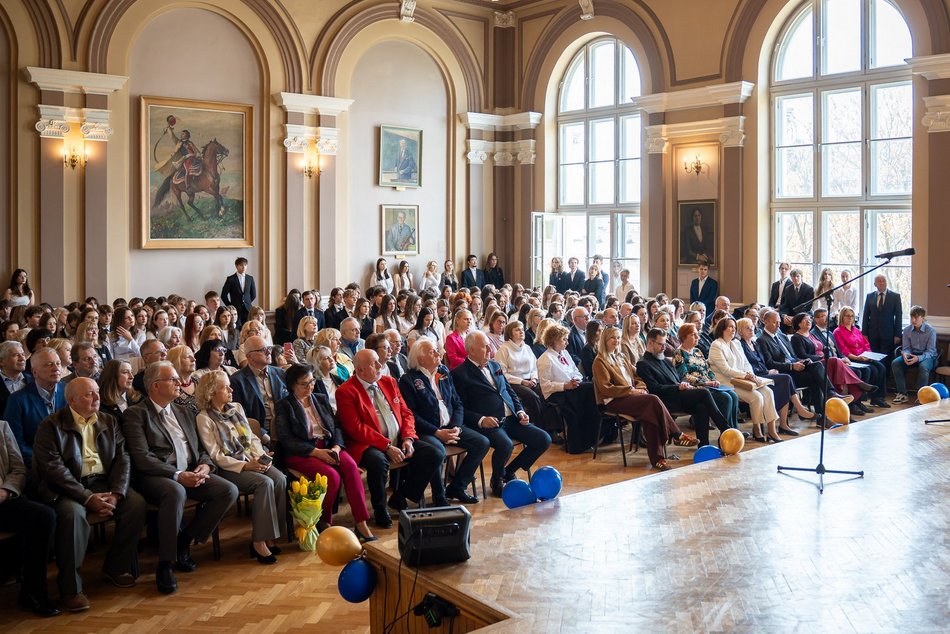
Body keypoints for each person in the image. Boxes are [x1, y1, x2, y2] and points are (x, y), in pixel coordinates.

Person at [121, 361, 238, 594]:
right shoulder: (135, 414)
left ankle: (184, 540)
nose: (179, 383)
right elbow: (142, 458)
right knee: (175, 491)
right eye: (173, 379)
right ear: (155, 386)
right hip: (156, 476)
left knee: (227, 490)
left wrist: (204, 466)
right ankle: (166, 563)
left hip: (191, 471)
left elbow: (201, 448)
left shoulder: (184, 411)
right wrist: (177, 474)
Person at [32, 378, 146, 611]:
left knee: (135, 504)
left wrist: (117, 493)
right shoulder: (51, 425)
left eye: (97, 393)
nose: (96, 398)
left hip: (103, 482)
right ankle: (71, 588)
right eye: (88, 394)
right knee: (72, 515)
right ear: (71, 400)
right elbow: (53, 470)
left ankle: (116, 567)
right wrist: (86, 497)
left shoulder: (108, 420)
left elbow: (122, 458)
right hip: (68, 488)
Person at [335, 350, 442, 528]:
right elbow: (356, 429)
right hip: (368, 443)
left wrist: (408, 438)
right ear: (360, 370)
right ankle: (380, 509)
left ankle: (401, 496)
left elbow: (406, 413)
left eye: (379, 361)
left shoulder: (389, 382)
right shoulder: (346, 391)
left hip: (398, 437)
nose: (380, 366)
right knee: (378, 462)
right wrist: (386, 446)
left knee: (434, 454)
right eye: (374, 364)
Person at [195, 371, 286, 563]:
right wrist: (246, 466)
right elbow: (216, 455)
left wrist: (261, 457)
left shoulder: (236, 407)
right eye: (225, 387)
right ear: (211, 392)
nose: (231, 389)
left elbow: (251, 437)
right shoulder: (204, 418)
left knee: (279, 479)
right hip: (230, 467)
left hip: (252, 458)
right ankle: (259, 542)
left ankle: (271, 535)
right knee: (264, 483)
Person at [275, 364, 374, 541]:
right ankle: (324, 520)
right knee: (331, 477)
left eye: (312, 381)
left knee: (351, 467)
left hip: (328, 445)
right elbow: (286, 439)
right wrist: (316, 452)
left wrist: (337, 447)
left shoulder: (320, 398)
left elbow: (336, 427)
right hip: (301, 452)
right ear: (292, 385)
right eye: (304, 384)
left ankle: (361, 523)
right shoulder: (284, 405)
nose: (310, 386)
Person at [453, 331, 551, 495]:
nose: (490, 349)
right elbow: (459, 407)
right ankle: (497, 479)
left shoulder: (494, 366)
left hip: (511, 418)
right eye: (485, 347)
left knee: (543, 439)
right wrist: (481, 419)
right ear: (471, 350)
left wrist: (520, 410)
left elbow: (509, 391)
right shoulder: (460, 374)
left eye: (489, 346)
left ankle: (507, 471)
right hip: (489, 423)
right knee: (505, 445)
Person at [593, 326, 697, 470]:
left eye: (618, 337)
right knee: (652, 400)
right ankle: (676, 434)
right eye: (612, 338)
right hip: (613, 400)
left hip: (631, 397)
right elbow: (606, 388)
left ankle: (658, 459)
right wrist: (631, 391)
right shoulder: (600, 361)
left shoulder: (621, 357)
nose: (616, 341)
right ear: (605, 340)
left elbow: (637, 377)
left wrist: (641, 388)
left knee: (650, 414)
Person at [399, 338, 489, 504]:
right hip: (427, 431)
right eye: (432, 352)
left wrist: (456, 426)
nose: (438, 353)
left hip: (450, 426)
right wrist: (437, 432)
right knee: (437, 452)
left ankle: (457, 487)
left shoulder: (444, 372)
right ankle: (439, 496)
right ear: (420, 359)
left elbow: (457, 402)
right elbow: (412, 415)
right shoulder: (408, 380)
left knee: (482, 443)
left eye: (436, 350)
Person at [0, 416, 58, 617]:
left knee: (44, 516)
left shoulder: (2, 427)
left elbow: (18, 468)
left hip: (4, 499)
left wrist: (6, 491)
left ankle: (32, 593)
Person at [636, 328, 733, 447]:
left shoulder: (665, 360)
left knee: (701, 407)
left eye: (665, 344)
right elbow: (654, 389)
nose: (664, 348)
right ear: (650, 343)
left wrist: (684, 385)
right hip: (665, 400)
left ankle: (704, 446)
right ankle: (726, 429)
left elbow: (678, 378)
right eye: (660, 344)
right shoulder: (643, 363)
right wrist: (678, 387)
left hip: (679, 395)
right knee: (704, 392)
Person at [756, 309, 850, 426]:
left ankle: (827, 402)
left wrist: (800, 361)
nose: (778, 325)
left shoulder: (782, 336)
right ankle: (827, 403)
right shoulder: (762, 340)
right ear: (765, 322)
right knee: (815, 376)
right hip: (784, 372)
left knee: (816, 366)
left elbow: (793, 356)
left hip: (795, 366)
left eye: (779, 322)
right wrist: (791, 366)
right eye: (775, 322)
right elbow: (769, 363)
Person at [708, 318, 782, 443]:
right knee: (756, 397)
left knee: (768, 392)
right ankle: (757, 429)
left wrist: (751, 375)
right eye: (730, 327)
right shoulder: (716, 345)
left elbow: (746, 364)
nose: (733, 329)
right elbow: (726, 370)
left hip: (743, 380)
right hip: (728, 382)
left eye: (734, 327)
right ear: (722, 329)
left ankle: (772, 429)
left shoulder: (736, 343)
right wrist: (746, 376)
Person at [737, 318, 814, 435]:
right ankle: (797, 411)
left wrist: (769, 371)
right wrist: (767, 372)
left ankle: (785, 423)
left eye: (752, 326)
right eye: (747, 327)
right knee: (786, 378)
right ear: (740, 331)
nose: (751, 329)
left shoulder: (754, 343)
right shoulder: (741, 345)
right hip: (755, 376)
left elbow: (762, 363)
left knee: (785, 382)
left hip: (764, 373)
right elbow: (747, 365)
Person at [536, 324, 604, 454]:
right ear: (554, 340)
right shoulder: (545, 359)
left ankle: (591, 436)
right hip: (557, 393)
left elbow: (576, 371)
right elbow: (545, 386)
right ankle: (577, 443)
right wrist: (565, 385)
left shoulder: (565, 353)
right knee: (586, 393)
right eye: (564, 339)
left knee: (590, 389)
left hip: (572, 387)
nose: (567, 343)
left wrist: (576, 380)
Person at [791, 312, 873, 416]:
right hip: (814, 364)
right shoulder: (796, 337)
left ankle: (847, 404)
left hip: (824, 361)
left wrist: (828, 355)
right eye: (805, 320)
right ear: (798, 323)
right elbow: (802, 355)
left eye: (809, 319)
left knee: (840, 364)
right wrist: (822, 357)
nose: (808, 321)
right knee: (835, 361)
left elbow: (825, 348)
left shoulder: (811, 335)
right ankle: (855, 386)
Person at [671, 323, 740, 431]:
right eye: (693, 335)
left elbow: (708, 369)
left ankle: (735, 431)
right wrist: (706, 383)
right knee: (725, 398)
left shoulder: (698, 351)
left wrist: (714, 380)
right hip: (697, 388)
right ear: (684, 337)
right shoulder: (678, 353)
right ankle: (726, 432)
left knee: (733, 395)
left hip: (709, 385)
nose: (697, 337)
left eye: (697, 334)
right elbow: (684, 376)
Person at [4, 348, 67, 467]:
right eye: (49, 365)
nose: (56, 368)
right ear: (35, 372)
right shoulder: (17, 400)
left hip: (71, 459)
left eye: (58, 363)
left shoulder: (69, 391)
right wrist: (42, 460)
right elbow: (14, 442)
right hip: (36, 464)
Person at [229, 335, 289, 443]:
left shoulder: (281, 374)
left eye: (269, 348)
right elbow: (240, 416)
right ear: (250, 356)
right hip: (258, 434)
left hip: (286, 428)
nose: (268, 352)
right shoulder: (237, 381)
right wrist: (263, 436)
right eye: (263, 350)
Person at [833, 306, 889, 408]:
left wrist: (869, 354)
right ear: (842, 317)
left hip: (864, 356)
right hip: (852, 358)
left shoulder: (856, 330)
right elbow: (843, 350)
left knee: (881, 368)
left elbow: (865, 344)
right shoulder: (838, 331)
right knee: (871, 370)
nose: (850, 318)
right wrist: (857, 358)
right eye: (847, 316)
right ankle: (860, 400)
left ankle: (878, 398)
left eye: (852, 316)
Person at [891, 305, 938, 403]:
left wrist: (918, 358)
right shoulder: (907, 330)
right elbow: (906, 348)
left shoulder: (931, 331)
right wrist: (905, 354)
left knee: (923, 367)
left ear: (923, 318)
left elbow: (930, 351)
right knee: (896, 363)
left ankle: (921, 395)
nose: (913, 320)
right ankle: (902, 393)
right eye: (911, 317)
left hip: (927, 357)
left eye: (916, 317)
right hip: (911, 355)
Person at [861, 274, 903, 362]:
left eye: (884, 281)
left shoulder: (895, 296)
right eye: (879, 281)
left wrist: (897, 335)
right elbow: (865, 316)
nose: (882, 283)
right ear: (875, 284)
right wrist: (864, 333)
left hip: (888, 334)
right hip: (873, 334)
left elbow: (898, 316)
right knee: (874, 359)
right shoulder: (869, 296)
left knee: (886, 360)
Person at [220, 257, 256, 327]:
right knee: (236, 327)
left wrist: (246, 302)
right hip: (235, 310)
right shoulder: (230, 279)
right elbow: (223, 295)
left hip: (247, 309)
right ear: (236, 266)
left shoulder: (250, 278)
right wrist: (230, 306)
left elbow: (253, 294)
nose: (244, 267)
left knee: (248, 327)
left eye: (245, 265)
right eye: (241, 265)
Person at [0, 340, 30, 415]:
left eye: (23, 354)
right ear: (1, 361)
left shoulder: (33, 380)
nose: (22, 359)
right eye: (16, 355)